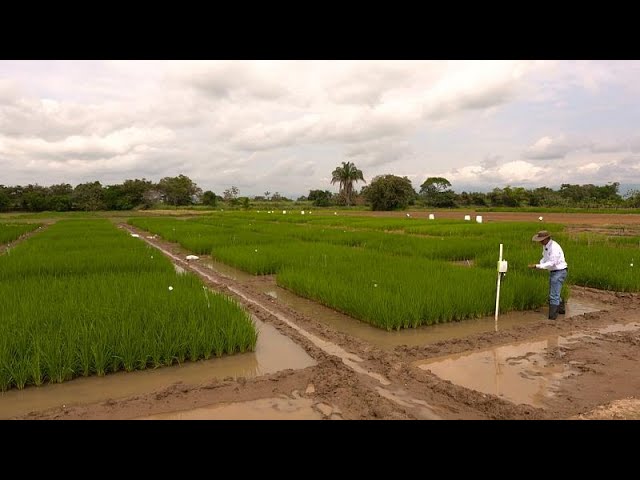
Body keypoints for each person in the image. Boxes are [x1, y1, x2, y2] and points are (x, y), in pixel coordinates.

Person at [528, 230, 568, 320]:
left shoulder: (554, 248)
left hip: (559, 271)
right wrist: (539, 264)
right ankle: (561, 311)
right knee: (554, 292)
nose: (540, 242)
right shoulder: (546, 246)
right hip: (554, 272)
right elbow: (545, 258)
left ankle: (552, 318)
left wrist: (538, 266)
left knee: (553, 295)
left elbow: (552, 263)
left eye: (541, 240)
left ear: (546, 239)